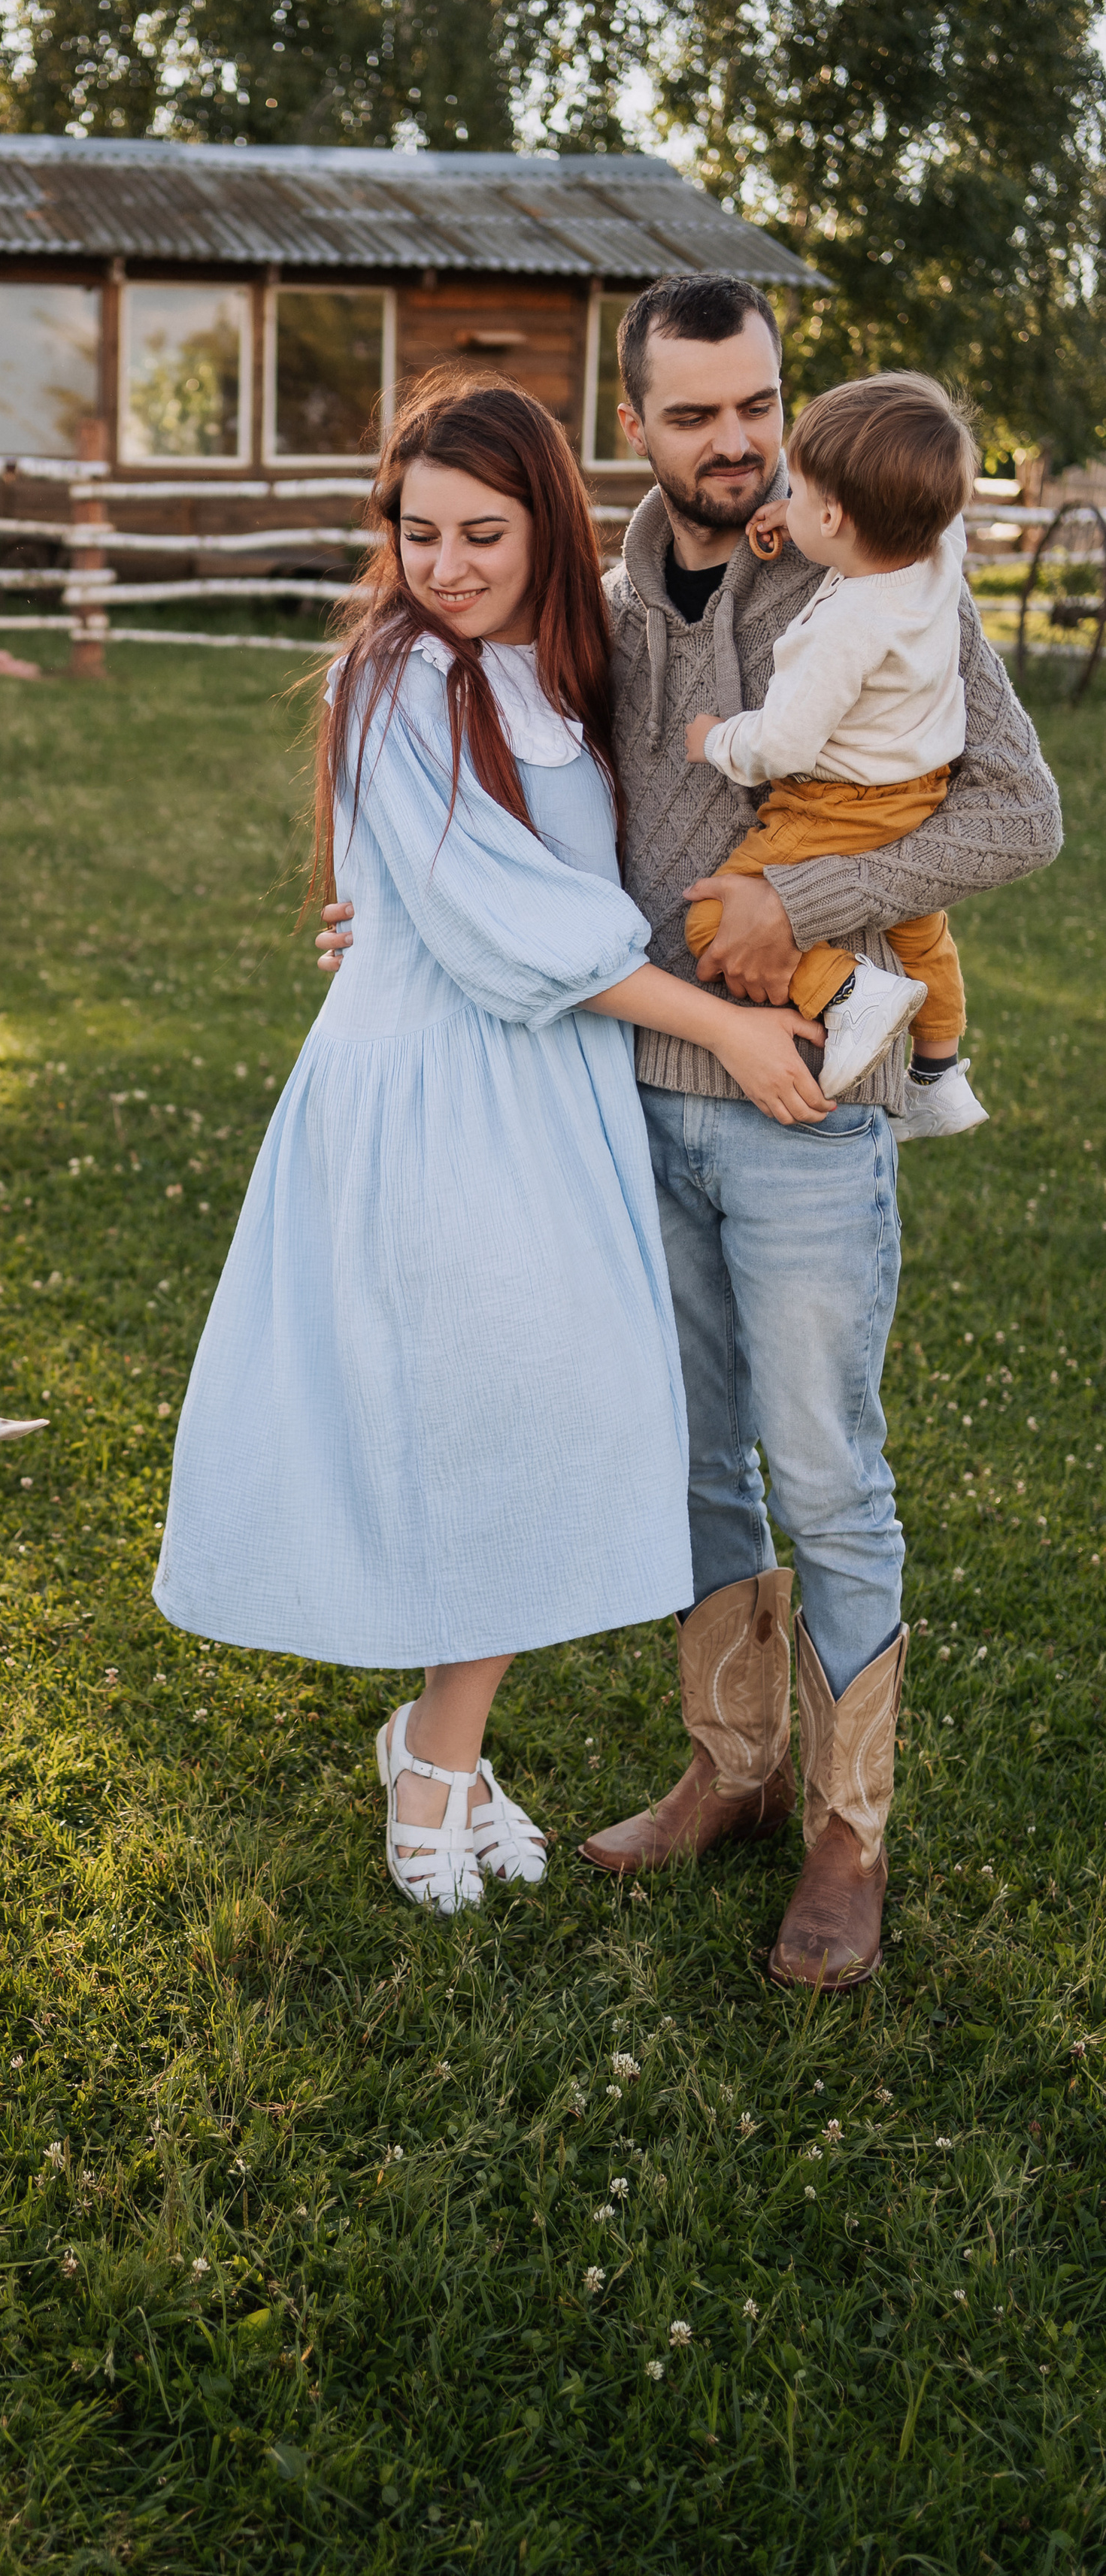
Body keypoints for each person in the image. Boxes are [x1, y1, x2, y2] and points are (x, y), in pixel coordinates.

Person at [319, 275, 1061, 1987]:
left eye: (755, 405)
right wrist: (397, 915)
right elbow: (481, 785)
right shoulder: (587, 595)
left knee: (819, 1462)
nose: (733, 442)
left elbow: (1015, 813)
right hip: (605, 1103)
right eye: (691, 414)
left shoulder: (874, 561)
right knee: (687, 1453)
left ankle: (846, 1822)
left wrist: (800, 890)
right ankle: (727, 1767)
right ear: (633, 426)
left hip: (797, 1093)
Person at [155, 371, 833, 1919]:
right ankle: (435, 1760)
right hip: (435, 1084)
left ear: (546, 530)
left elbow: (735, 576)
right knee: (486, 1410)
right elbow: (500, 923)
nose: (443, 565)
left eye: (479, 532)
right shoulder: (396, 676)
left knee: (539, 1412)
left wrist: (794, 511)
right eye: (414, 534)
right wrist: (724, 1023)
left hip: (553, 1088)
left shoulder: (564, 652)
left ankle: (439, 1742)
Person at [682, 371, 986, 1138]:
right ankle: (940, 1073)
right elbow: (923, 511)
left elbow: (781, 742)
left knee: (712, 915)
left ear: (836, 515)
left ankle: (853, 994)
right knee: (921, 932)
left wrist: (714, 737)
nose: (784, 499)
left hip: (835, 802)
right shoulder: (936, 558)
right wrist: (799, 515)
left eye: (801, 487)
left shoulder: (844, 625)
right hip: (918, 789)